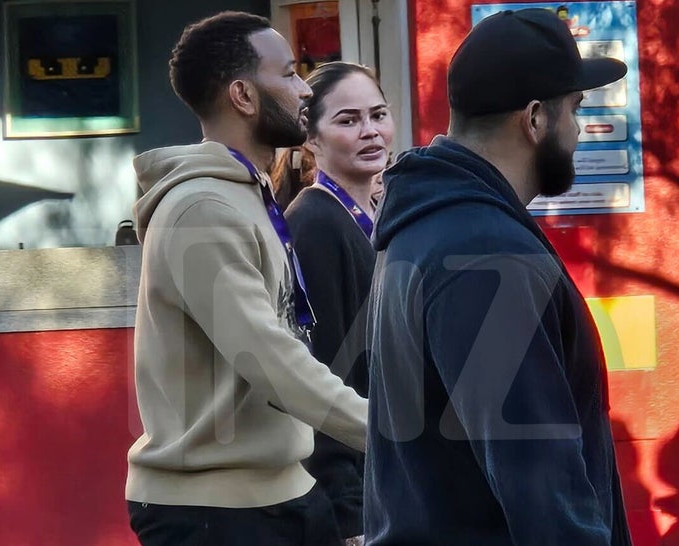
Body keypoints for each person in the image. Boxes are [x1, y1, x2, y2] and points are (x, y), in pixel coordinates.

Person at [364, 8, 632, 545]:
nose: (578, 129)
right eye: (574, 109)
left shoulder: (428, 226)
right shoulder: (484, 252)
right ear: (535, 118)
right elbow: (539, 482)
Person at [125, 12, 367, 546]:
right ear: (243, 94)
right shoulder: (201, 208)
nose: (306, 88)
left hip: (283, 495)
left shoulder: (248, 195)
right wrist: (395, 435)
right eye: (288, 73)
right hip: (216, 512)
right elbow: (272, 360)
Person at [273, 62, 395, 545]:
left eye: (378, 115)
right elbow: (322, 375)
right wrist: (351, 517)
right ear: (310, 136)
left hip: (391, 478)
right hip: (353, 497)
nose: (370, 132)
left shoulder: (383, 214)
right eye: (347, 121)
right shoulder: (315, 224)